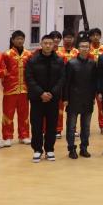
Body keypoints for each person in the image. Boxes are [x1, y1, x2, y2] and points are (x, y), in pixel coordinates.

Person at [25, 34, 65, 162]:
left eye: (50, 43)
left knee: (52, 125)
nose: (48, 45)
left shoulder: (59, 60)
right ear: (41, 44)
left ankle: (49, 149)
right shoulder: (32, 60)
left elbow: (62, 79)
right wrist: (41, 93)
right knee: (36, 125)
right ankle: (37, 150)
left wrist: (52, 93)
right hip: (37, 99)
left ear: (54, 45)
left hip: (53, 99)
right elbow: (29, 79)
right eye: (45, 43)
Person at [64, 39, 97, 159]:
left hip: (87, 99)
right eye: (82, 46)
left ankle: (84, 148)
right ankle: (71, 148)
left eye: (86, 46)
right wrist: (65, 98)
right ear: (78, 48)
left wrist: (93, 96)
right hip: (73, 98)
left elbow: (94, 82)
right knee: (71, 126)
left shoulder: (93, 63)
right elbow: (66, 83)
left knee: (86, 126)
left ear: (89, 49)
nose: (84, 48)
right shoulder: (71, 63)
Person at [2, 30, 32, 147]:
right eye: (17, 39)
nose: (20, 41)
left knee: (24, 114)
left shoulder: (28, 54)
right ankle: (7, 137)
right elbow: (2, 70)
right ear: (13, 40)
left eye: (22, 38)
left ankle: (24, 135)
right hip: (10, 90)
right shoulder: (6, 54)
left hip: (24, 90)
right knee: (8, 114)